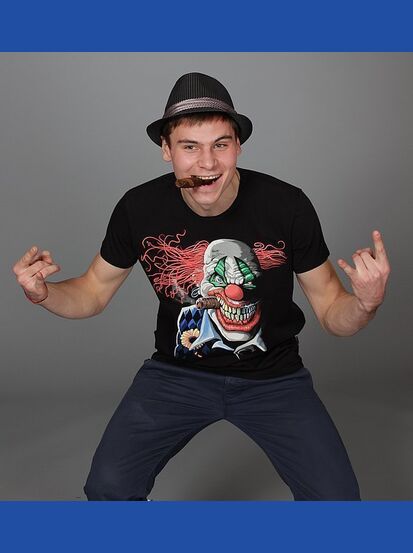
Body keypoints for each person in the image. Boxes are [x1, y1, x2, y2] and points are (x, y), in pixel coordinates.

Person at [12, 72, 391, 500]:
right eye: (190, 147)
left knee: (338, 502)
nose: (207, 164)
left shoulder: (287, 205)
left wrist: (366, 303)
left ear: (238, 146)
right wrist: (43, 294)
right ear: (166, 150)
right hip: (177, 376)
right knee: (108, 488)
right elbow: (92, 293)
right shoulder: (139, 208)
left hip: (274, 379)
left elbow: (332, 311)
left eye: (220, 145)